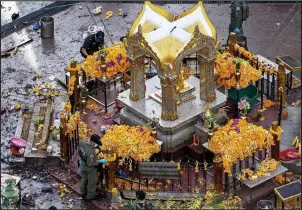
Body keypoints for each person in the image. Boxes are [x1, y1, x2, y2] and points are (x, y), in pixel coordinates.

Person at [78, 134, 107, 201]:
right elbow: (91, 163)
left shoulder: (83, 143)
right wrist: (99, 161)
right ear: (93, 142)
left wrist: (81, 159)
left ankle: (82, 192)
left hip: (83, 165)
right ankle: (90, 197)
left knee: (84, 179)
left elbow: (79, 151)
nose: (97, 145)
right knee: (92, 182)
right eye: (97, 143)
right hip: (90, 168)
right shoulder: (91, 151)